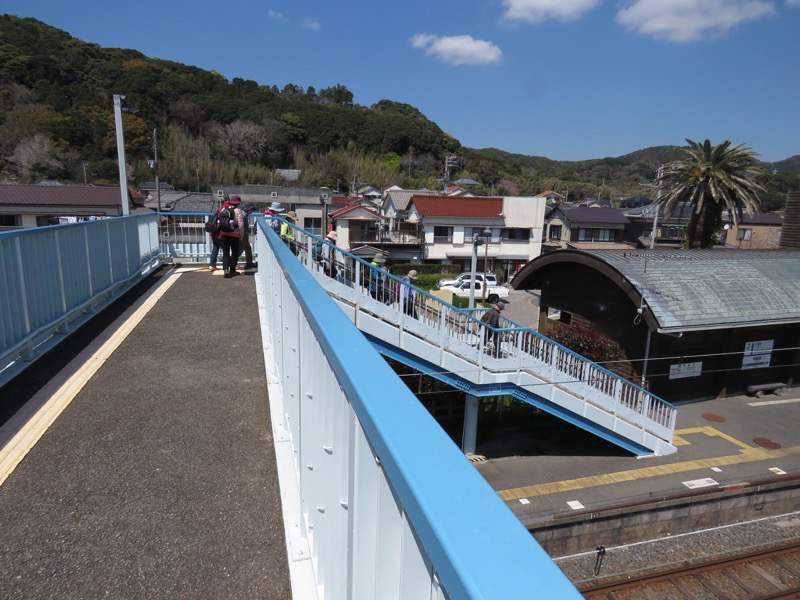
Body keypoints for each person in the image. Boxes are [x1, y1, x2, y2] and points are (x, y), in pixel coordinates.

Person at [218, 195, 245, 278]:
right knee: (234, 253)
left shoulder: (223, 209)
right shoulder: (238, 211)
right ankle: (233, 270)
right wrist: (241, 235)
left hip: (223, 234)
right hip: (234, 234)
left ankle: (226, 270)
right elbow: (240, 224)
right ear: (238, 203)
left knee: (225, 253)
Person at [237, 202, 256, 270]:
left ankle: (249, 263)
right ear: (249, 209)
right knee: (240, 250)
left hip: (244, 234)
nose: (252, 211)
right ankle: (232, 263)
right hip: (243, 235)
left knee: (248, 249)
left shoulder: (244, 214)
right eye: (252, 210)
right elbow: (242, 226)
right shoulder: (243, 215)